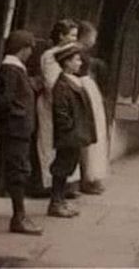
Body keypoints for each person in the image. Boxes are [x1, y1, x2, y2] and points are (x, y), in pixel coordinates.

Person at [0, 30, 42, 235]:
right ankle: (18, 218)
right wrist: (1, 120)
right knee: (17, 172)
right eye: (29, 48)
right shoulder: (11, 69)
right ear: (23, 49)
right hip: (15, 129)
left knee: (20, 170)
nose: (31, 53)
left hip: (19, 128)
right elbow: (5, 100)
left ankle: (20, 215)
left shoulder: (16, 69)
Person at [48, 43, 96, 218]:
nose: (80, 63)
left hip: (74, 133)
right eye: (76, 60)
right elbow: (61, 112)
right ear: (67, 62)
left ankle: (60, 200)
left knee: (68, 166)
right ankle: (55, 202)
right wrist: (69, 129)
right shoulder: (62, 85)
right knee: (62, 167)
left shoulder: (72, 81)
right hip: (69, 134)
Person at [36, 19, 79, 193]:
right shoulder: (50, 56)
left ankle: (66, 185)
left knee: (68, 144)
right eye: (71, 35)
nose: (74, 39)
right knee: (50, 144)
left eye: (76, 36)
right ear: (61, 36)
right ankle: (50, 185)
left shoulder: (72, 54)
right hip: (51, 104)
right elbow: (51, 83)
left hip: (65, 105)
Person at [77, 20, 108, 195]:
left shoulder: (83, 54)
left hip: (89, 90)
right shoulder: (78, 53)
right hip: (85, 90)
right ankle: (87, 178)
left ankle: (90, 177)